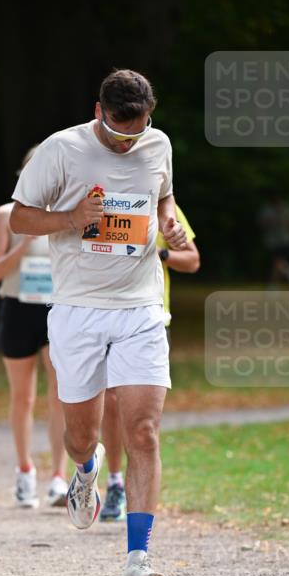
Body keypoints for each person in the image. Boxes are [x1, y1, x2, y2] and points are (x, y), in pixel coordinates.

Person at [11, 69, 187, 576]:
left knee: (144, 432)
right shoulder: (61, 150)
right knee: (82, 435)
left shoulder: (158, 143)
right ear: (98, 111)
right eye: (117, 132)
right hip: (78, 310)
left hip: (139, 308)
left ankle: (137, 562)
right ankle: (84, 470)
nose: (126, 141)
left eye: (135, 132)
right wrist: (70, 217)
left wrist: (171, 224)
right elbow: (19, 217)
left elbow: (164, 202)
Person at [100, 200, 200, 521]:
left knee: (143, 420)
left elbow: (193, 260)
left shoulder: (163, 207)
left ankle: (138, 489)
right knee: (111, 401)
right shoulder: (106, 201)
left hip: (154, 318)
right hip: (106, 315)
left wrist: (161, 254)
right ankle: (115, 481)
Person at [0, 147, 68, 509]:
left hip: (55, 311)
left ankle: (59, 478)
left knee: (60, 395)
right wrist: (24, 246)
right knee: (23, 397)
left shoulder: (65, 215)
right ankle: (24, 471)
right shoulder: (6, 215)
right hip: (17, 309)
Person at [257, 192, 289, 284]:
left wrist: (288, 223)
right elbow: (260, 223)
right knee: (277, 261)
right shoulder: (267, 210)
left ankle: (276, 282)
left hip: (286, 239)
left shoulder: (287, 209)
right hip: (272, 240)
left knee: (277, 261)